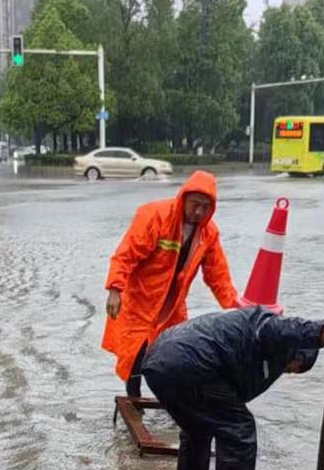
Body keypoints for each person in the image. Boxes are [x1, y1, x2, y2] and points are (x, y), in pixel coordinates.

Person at [142, 306, 324, 470]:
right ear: (295, 354)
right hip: (189, 362)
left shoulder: (249, 347)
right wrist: (320, 331)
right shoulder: (268, 329)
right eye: (293, 368)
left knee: (198, 429)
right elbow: (279, 327)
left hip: (158, 362)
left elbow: (232, 393)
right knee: (239, 430)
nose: (287, 371)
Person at [102, 170, 240, 398]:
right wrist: (115, 289)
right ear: (184, 198)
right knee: (136, 354)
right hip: (141, 300)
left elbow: (218, 275)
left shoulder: (208, 234)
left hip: (173, 305)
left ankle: (175, 400)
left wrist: (237, 309)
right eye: (195, 204)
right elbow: (126, 255)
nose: (199, 211)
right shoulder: (154, 216)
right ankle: (134, 399)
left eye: (205, 207)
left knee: (178, 352)